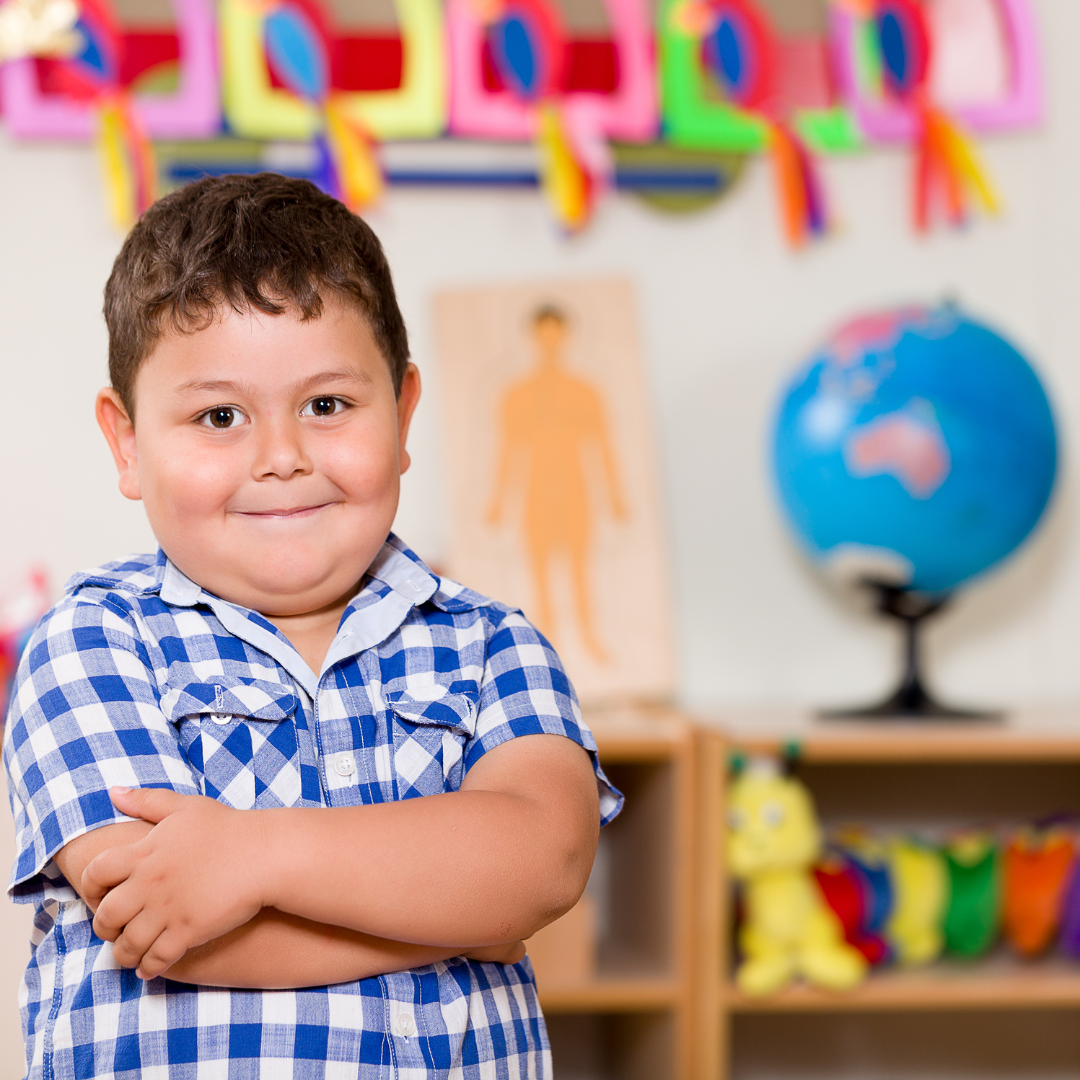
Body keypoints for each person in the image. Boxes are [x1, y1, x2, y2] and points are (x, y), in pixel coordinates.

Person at [2, 173, 621, 1080]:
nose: (282, 458)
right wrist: (459, 919)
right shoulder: (92, 642)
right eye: (220, 416)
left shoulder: (494, 644)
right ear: (127, 440)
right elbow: (162, 926)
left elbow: (547, 858)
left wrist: (255, 856)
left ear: (403, 413)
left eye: (327, 406)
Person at [486, 306, 628, 663]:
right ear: (534, 337)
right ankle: (545, 649)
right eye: (543, 334)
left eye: (556, 334)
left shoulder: (583, 392)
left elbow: (600, 447)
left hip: (575, 487)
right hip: (535, 490)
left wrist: (614, 497)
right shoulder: (518, 394)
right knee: (540, 570)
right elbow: (509, 451)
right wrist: (499, 502)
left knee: (580, 567)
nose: (550, 342)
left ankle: (588, 636)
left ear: (565, 336)